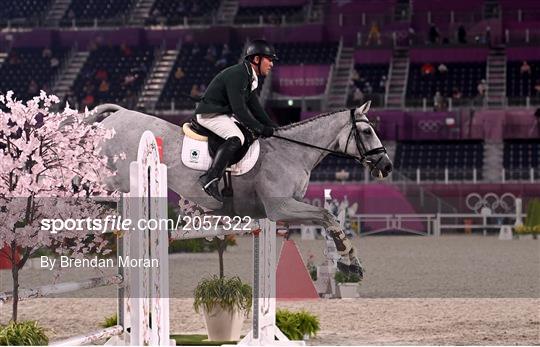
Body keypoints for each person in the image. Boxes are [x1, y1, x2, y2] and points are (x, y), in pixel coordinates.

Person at [193, 39, 278, 201]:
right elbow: (239, 109)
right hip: (209, 114)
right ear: (257, 59)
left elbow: (255, 107)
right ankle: (211, 178)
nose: (272, 64)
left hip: (221, 113)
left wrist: (272, 126)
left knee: (246, 134)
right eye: (270, 59)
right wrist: (260, 128)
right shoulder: (239, 75)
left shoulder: (250, 76)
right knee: (237, 137)